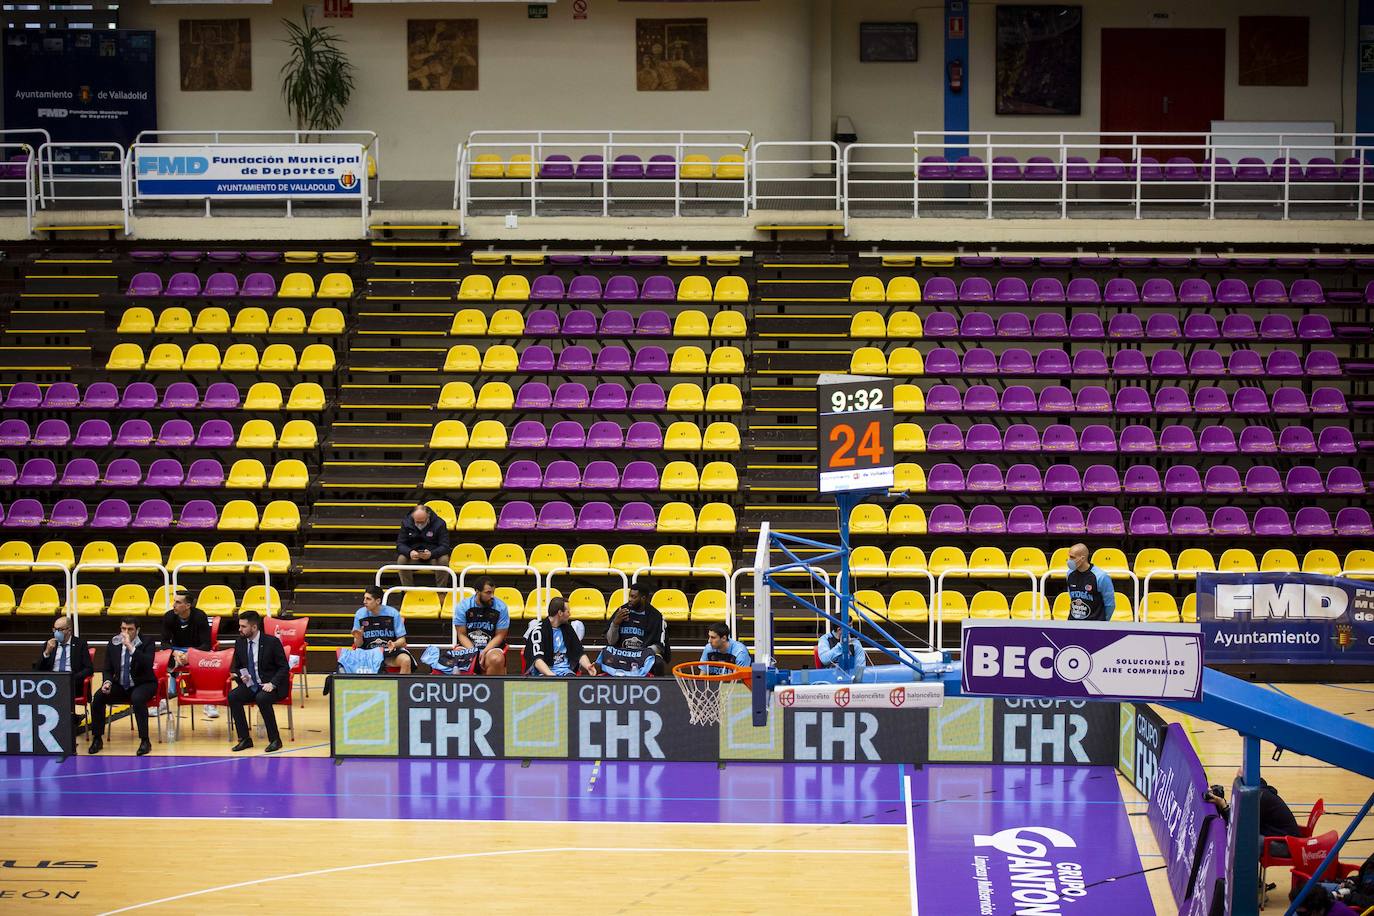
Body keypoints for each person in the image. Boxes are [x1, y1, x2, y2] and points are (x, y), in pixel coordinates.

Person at [88, 618, 158, 756]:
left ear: (137, 630)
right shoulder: (113, 643)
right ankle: (97, 738)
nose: (125, 632)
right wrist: (107, 682)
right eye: (123, 629)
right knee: (98, 698)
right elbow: (107, 668)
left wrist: (131, 648)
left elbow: (147, 663)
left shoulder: (147, 642)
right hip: (121, 684)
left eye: (130, 629)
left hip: (144, 683)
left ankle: (145, 740)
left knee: (137, 699)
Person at [228, 610, 288, 753]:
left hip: (271, 685)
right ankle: (245, 739)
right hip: (251, 684)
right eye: (240, 626)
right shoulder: (240, 642)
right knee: (233, 696)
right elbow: (238, 666)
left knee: (262, 698)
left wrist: (272, 683)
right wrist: (242, 676)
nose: (239, 629)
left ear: (254, 627)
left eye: (243, 626)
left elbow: (284, 667)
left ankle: (275, 740)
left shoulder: (272, 642)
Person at [160, 591, 217, 731]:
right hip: (177, 652)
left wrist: (191, 655)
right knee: (159, 663)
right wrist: (175, 653)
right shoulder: (169, 616)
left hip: (196, 651)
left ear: (188, 605)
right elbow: (164, 642)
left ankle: (209, 702)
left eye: (178, 602)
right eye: (174, 601)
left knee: (210, 662)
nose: (174, 605)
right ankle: (161, 702)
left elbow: (207, 644)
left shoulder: (200, 616)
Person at [35, 615, 94, 743]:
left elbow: (89, 669)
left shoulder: (80, 644)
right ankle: (67, 721)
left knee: (63, 692)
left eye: (60, 629)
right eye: (55, 629)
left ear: (69, 630)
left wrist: (70, 678)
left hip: (72, 683)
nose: (57, 632)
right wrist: (46, 653)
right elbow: (38, 670)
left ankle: (66, 724)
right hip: (52, 683)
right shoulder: (49, 644)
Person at [599, 582, 670, 677]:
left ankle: (658, 689)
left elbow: (660, 646)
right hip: (622, 653)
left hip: (643, 655)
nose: (629, 599)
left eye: (633, 597)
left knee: (658, 663)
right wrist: (615, 624)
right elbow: (611, 642)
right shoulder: (622, 611)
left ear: (643, 598)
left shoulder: (655, 616)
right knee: (604, 657)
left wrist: (642, 654)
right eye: (630, 596)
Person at [452, 576, 509, 675]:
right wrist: (473, 652)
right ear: (477, 592)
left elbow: (500, 635)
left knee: (496, 659)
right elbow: (461, 634)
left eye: (493, 592)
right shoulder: (463, 607)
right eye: (488, 592)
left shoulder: (501, 607)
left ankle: (492, 690)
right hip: (468, 646)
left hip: (491, 647)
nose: (492, 596)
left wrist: (484, 651)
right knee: (456, 661)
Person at [524, 597, 596, 677]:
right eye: (568, 611)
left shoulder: (567, 628)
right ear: (560, 613)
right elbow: (537, 660)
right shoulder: (539, 631)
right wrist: (552, 676)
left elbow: (578, 652)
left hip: (565, 672)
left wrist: (588, 666)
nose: (570, 614)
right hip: (545, 673)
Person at [352, 584, 413, 673]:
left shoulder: (393, 613)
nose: (364, 601)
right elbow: (357, 645)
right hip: (368, 654)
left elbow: (402, 640)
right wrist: (359, 637)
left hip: (388, 653)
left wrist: (394, 644)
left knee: (406, 660)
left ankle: (402, 686)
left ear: (378, 601)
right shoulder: (360, 614)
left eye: (368, 599)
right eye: (364, 598)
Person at [396, 503, 451, 588]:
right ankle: (408, 590)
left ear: (428, 516)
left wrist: (432, 554)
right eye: (417, 522)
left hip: (433, 557)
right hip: (414, 557)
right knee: (401, 560)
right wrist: (409, 552)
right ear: (412, 516)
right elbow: (400, 544)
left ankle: (441, 591)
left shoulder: (440, 523)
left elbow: (445, 546)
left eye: (422, 521)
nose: (420, 524)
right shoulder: (406, 523)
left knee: (444, 559)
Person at [1064, 543, 1116, 621]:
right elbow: (1071, 597)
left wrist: (1103, 622)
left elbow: (1110, 605)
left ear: (1082, 558)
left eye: (1072, 557)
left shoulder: (1101, 576)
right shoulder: (1069, 574)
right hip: (1073, 623)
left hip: (1094, 625)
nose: (1069, 560)